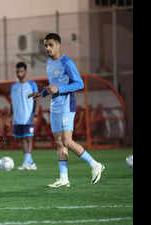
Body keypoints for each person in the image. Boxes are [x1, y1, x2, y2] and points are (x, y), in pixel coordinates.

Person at [39, 33, 105, 188]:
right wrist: (42, 93)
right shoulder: (49, 62)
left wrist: (59, 89)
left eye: (50, 45)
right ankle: (64, 179)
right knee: (59, 142)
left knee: (67, 141)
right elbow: (53, 85)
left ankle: (95, 164)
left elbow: (79, 84)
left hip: (67, 104)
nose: (48, 48)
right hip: (55, 105)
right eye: (46, 46)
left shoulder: (67, 62)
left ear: (58, 45)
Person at [9, 62, 38, 170]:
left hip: (28, 117)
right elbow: (12, 102)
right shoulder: (14, 87)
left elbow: (35, 100)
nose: (19, 73)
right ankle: (30, 163)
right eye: (17, 72)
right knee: (21, 139)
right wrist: (9, 115)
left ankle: (27, 162)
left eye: (21, 71)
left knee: (28, 138)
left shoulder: (31, 85)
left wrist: (34, 114)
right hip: (17, 118)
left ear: (25, 72)